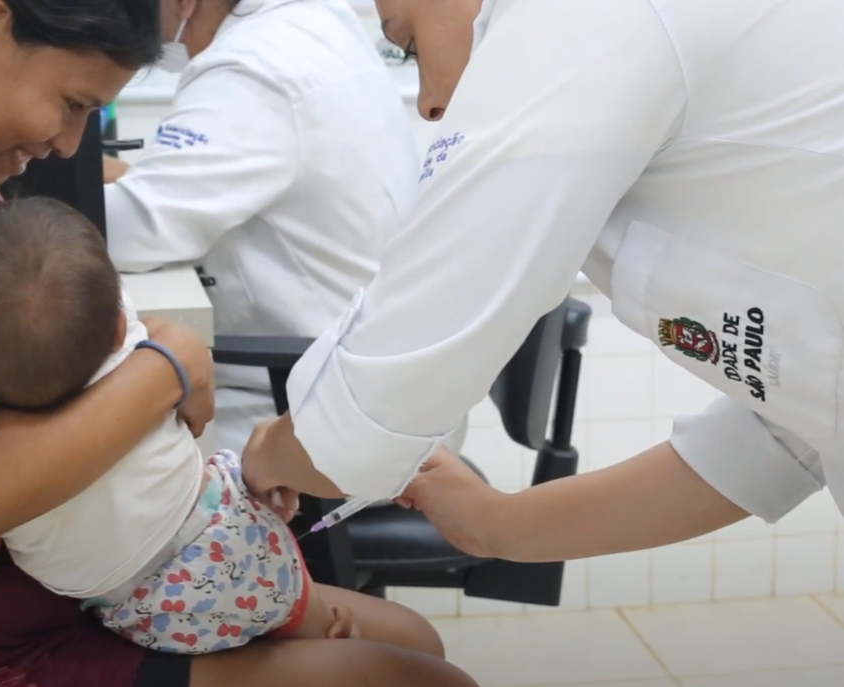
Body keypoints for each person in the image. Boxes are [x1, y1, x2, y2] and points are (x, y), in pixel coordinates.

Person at [0, 0, 478, 685]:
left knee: (422, 650)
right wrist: (167, 364)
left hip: (56, 603)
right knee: (417, 676)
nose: (67, 144)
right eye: (72, 105)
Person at [241, 0, 844, 564]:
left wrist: (271, 451)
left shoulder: (575, 18)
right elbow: (794, 418)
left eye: (410, 46)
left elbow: (369, 420)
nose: (428, 103)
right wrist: (497, 523)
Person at [0, 196, 442, 655]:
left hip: (146, 616)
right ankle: (314, 628)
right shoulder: (133, 362)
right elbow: (196, 416)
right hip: (230, 541)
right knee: (393, 637)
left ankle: (296, 631)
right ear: (118, 330)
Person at [101, 0, 469, 456]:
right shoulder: (314, 20)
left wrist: (9, 219)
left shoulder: (251, 67)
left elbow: (141, 228)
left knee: (102, 466)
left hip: (299, 410)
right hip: (379, 395)